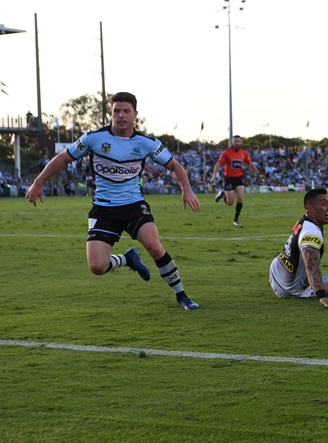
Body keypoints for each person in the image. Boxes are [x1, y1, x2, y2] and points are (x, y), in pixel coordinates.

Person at [25, 91, 202, 310]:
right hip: (103, 209)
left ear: (135, 114)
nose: (121, 115)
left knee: (154, 246)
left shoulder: (147, 143)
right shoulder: (93, 139)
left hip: (133, 206)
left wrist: (187, 189)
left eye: (126, 111)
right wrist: (39, 182)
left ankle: (182, 295)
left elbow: (174, 165)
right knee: (97, 266)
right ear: (111, 113)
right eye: (116, 111)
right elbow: (62, 158)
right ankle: (127, 259)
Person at [269, 185, 328, 309]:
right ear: (310, 208)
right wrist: (322, 296)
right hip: (290, 290)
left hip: (275, 272)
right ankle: (316, 282)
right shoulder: (311, 233)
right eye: (324, 204)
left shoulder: (307, 220)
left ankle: (318, 280)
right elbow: (310, 264)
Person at [212, 134, 260, 226]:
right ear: (232, 142)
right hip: (229, 178)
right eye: (235, 141)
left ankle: (236, 220)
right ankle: (223, 194)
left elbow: (250, 164)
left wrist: (258, 173)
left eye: (238, 141)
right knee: (230, 203)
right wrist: (214, 176)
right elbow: (218, 164)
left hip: (239, 178)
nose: (237, 143)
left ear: (241, 143)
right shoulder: (226, 152)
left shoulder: (244, 153)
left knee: (240, 198)